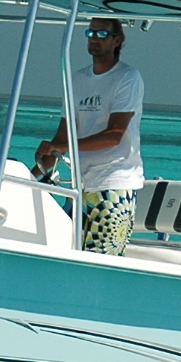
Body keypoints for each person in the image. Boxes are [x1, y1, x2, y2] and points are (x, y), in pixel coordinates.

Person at [33, 15, 144, 255]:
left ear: (117, 40)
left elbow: (115, 135)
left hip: (113, 186)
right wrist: (30, 177)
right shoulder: (76, 79)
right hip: (79, 187)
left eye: (102, 34)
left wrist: (65, 147)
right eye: (90, 33)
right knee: (63, 254)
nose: (94, 38)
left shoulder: (127, 77)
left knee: (101, 262)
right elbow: (62, 138)